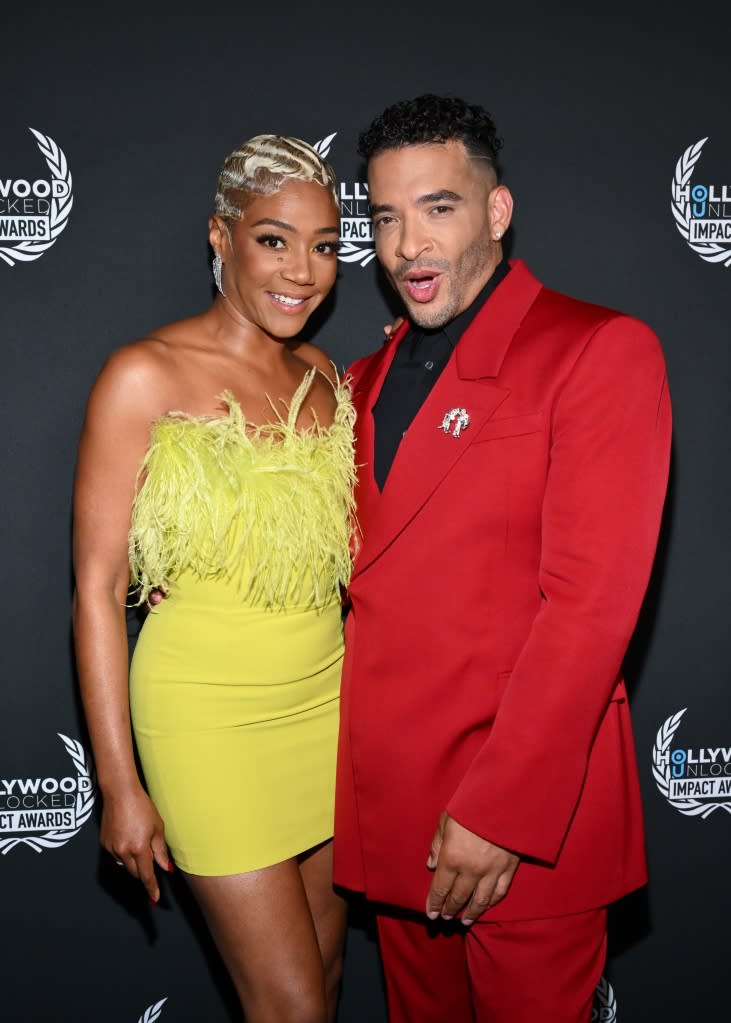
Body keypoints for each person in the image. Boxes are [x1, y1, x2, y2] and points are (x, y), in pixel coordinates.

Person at [333, 95, 672, 1023]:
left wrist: (501, 816)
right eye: (387, 217)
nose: (409, 245)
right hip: (393, 807)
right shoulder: (359, 380)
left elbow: (590, 607)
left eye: (437, 208)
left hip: (522, 818)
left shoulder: (596, 349)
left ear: (496, 211)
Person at [72, 134, 355, 1023]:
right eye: (274, 239)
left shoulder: (322, 377)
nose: (302, 271)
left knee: (329, 974)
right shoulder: (142, 374)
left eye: (323, 245)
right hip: (207, 720)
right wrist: (118, 784)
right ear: (219, 237)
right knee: (290, 1007)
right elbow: (95, 585)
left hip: (329, 707)